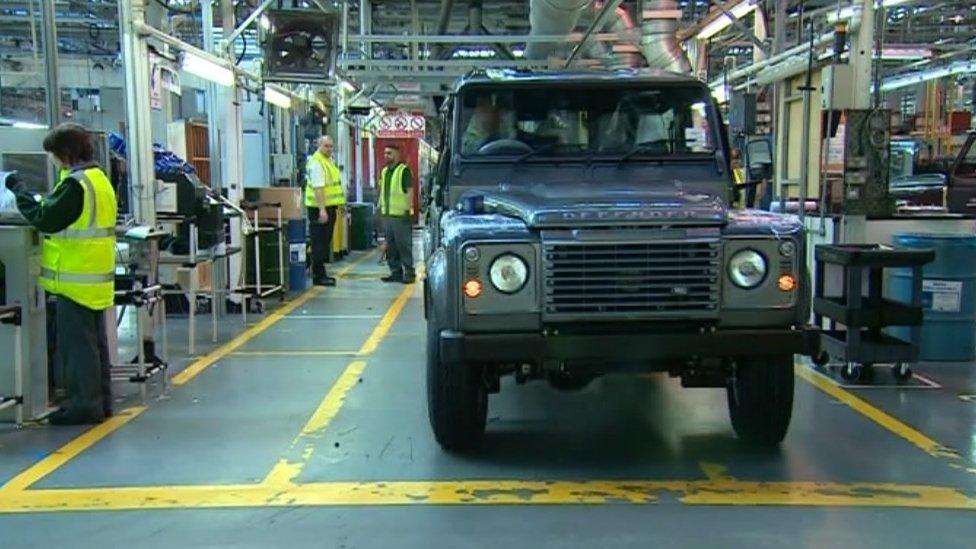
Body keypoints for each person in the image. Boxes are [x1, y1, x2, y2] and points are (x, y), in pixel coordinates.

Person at [4, 123, 117, 424]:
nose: (52, 161)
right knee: (95, 347)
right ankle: (100, 401)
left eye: (53, 155)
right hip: (94, 277)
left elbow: (46, 218)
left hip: (75, 279)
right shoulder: (98, 179)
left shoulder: (76, 184)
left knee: (79, 348)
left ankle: (83, 406)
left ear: (64, 153)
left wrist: (19, 192)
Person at [304, 135, 346, 286]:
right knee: (319, 243)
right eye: (326, 146)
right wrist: (322, 210)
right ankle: (318, 275)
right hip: (319, 209)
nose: (329, 149)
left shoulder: (328, 161)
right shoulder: (317, 163)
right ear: (318, 146)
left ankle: (320, 272)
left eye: (331, 146)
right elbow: (318, 189)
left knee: (323, 242)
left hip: (328, 207)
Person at [378, 144, 415, 284]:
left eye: (389, 153)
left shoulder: (403, 171)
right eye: (385, 153)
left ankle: (409, 272)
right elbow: (383, 192)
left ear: (397, 154)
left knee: (403, 245)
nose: (386, 156)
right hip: (387, 215)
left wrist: (408, 210)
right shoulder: (384, 171)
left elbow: (409, 191)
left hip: (400, 215)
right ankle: (395, 272)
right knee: (391, 247)